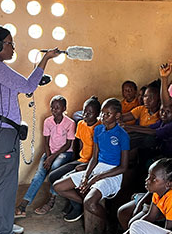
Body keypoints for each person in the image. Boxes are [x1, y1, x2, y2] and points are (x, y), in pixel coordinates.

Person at [0, 25, 59, 234]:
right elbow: (29, 86)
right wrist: (46, 58)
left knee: (3, 183)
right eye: (10, 43)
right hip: (1, 134)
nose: (13, 48)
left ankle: (1, 224)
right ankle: (2, 230)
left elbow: (13, 90)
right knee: (6, 185)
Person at [54, 98, 129, 234]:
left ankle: (110, 224)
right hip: (97, 168)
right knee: (58, 186)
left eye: (108, 114)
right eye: (102, 113)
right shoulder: (98, 129)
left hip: (113, 174)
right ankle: (94, 206)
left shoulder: (122, 135)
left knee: (90, 202)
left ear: (117, 116)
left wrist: (97, 177)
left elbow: (123, 167)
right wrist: (87, 176)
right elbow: (94, 158)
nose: (103, 117)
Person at [15, 95, 75, 217]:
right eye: (52, 107)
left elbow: (68, 144)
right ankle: (24, 205)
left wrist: (51, 159)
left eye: (57, 108)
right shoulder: (48, 121)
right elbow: (46, 142)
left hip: (65, 152)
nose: (54, 110)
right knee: (39, 174)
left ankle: (51, 201)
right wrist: (48, 157)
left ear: (64, 108)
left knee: (55, 168)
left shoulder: (70, 123)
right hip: (50, 152)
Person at [48, 96, 101, 216]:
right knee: (52, 176)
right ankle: (77, 204)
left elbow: (99, 154)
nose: (86, 115)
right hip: (81, 160)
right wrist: (75, 162)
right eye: (84, 112)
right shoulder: (81, 124)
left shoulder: (100, 127)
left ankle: (77, 207)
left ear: (97, 114)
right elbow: (81, 145)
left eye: (90, 113)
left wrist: (86, 166)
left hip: (92, 163)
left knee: (65, 180)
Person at [118, 158, 172, 233]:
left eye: (153, 178)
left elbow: (168, 229)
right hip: (167, 221)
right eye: (149, 175)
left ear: (168, 184)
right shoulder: (157, 192)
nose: (147, 180)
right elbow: (151, 216)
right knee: (133, 224)